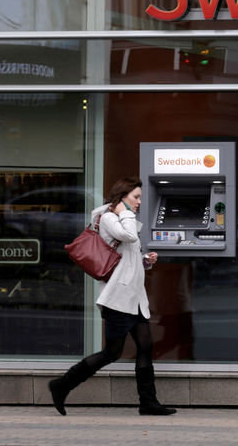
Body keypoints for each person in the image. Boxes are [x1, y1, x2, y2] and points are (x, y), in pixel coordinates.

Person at [49, 177, 176, 416]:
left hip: (134, 297)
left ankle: (148, 403)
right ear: (122, 196)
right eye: (136, 197)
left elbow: (124, 257)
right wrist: (123, 212)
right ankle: (61, 385)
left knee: (145, 346)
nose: (139, 202)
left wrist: (145, 261)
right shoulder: (108, 218)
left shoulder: (121, 218)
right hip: (118, 298)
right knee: (112, 352)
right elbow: (128, 237)